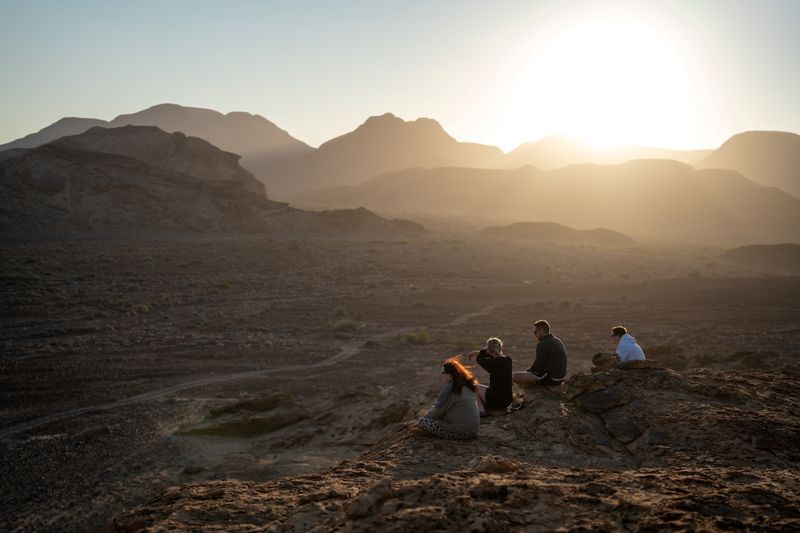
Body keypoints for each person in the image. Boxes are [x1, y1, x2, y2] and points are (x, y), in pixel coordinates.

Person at [417, 356, 480, 440]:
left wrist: (424, 418)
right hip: (473, 431)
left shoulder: (451, 389)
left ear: (450, 375)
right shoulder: (466, 385)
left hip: (461, 432)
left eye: (443, 372)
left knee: (422, 422)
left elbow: (438, 411)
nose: (441, 375)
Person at [512, 319, 567, 386]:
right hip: (561, 377)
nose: (535, 334)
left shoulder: (543, 343)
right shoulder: (557, 340)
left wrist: (528, 372)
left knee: (514, 376)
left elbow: (537, 366)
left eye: (535, 331)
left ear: (541, 330)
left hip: (551, 378)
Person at [466, 337, 513, 412]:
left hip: (497, 400)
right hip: (508, 400)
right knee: (489, 389)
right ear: (501, 347)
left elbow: (479, 358)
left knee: (473, 387)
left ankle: (481, 409)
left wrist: (486, 349)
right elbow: (493, 357)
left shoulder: (493, 363)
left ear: (489, 349)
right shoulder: (508, 360)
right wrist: (480, 352)